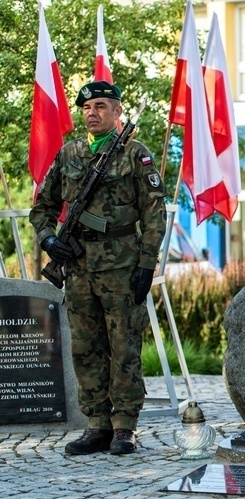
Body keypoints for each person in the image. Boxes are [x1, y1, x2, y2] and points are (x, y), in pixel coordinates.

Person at [30, 81, 166, 455]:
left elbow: (154, 214)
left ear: (117, 111)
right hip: (78, 267)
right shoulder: (69, 154)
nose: (93, 113)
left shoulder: (135, 154)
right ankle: (97, 425)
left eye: (101, 106)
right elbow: (42, 207)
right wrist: (49, 240)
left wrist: (147, 265)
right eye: (87, 108)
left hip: (121, 266)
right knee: (86, 347)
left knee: (124, 346)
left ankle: (124, 426)